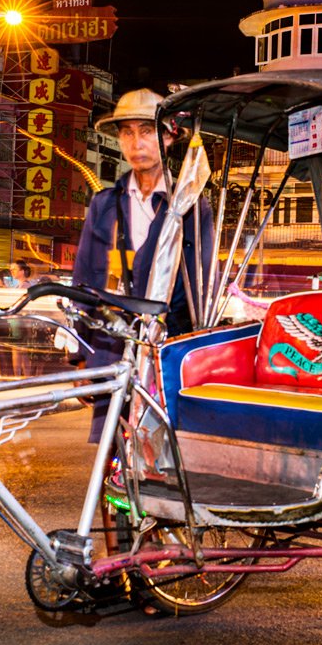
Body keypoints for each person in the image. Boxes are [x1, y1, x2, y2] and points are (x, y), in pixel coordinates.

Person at [72, 88, 214, 441]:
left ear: (168, 137)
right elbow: (85, 281)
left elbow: (200, 283)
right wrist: (80, 356)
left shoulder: (191, 205)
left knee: (161, 451)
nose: (137, 143)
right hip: (111, 346)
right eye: (127, 132)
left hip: (167, 347)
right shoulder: (104, 204)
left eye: (147, 131)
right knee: (111, 452)